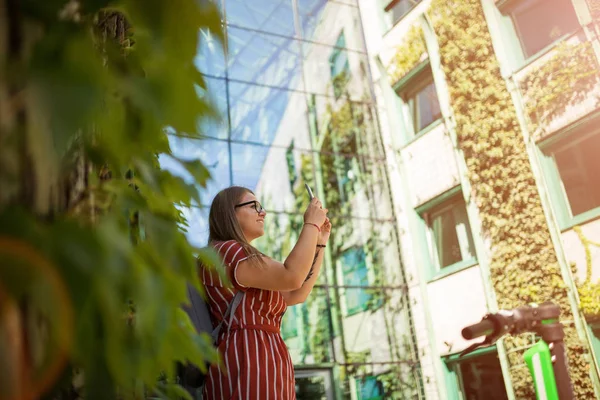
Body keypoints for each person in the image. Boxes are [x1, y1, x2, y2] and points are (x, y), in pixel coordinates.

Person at [200, 186, 331, 400]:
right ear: (229, 213)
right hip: (248, 362)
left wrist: (320, 241)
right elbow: (292, 276)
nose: (263, 212)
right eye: (254, 206)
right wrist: (311, 223)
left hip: (264, 359)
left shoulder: (240, 255)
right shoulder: (227, 252)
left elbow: (295, 293)